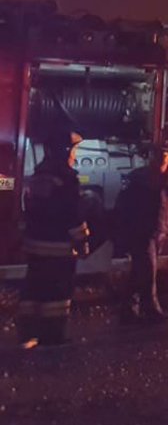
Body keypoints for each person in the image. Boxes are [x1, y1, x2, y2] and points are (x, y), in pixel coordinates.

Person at [16, 129, 90, 348]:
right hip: (58, 249)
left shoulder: (38, 176)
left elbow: (28, 209)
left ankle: (28, 334)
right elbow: (73, 215)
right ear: (65, 151)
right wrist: (83, 241)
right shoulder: (67, 180)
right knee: (57, 295)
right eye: (74, 150)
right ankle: (53, 336)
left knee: (33, 290)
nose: (75, 155)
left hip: (35, 246)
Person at [115, 141, 168, 325]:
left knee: (139, 270)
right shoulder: (138, 178)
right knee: (148, 271)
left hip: (159, 233)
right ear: (151, 157)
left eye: (165, 155)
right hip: (140, 232)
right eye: (158, 155)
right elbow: (123, 205)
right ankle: (151, 310)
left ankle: (128, 310)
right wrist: (122, 232)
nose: (161, 159)